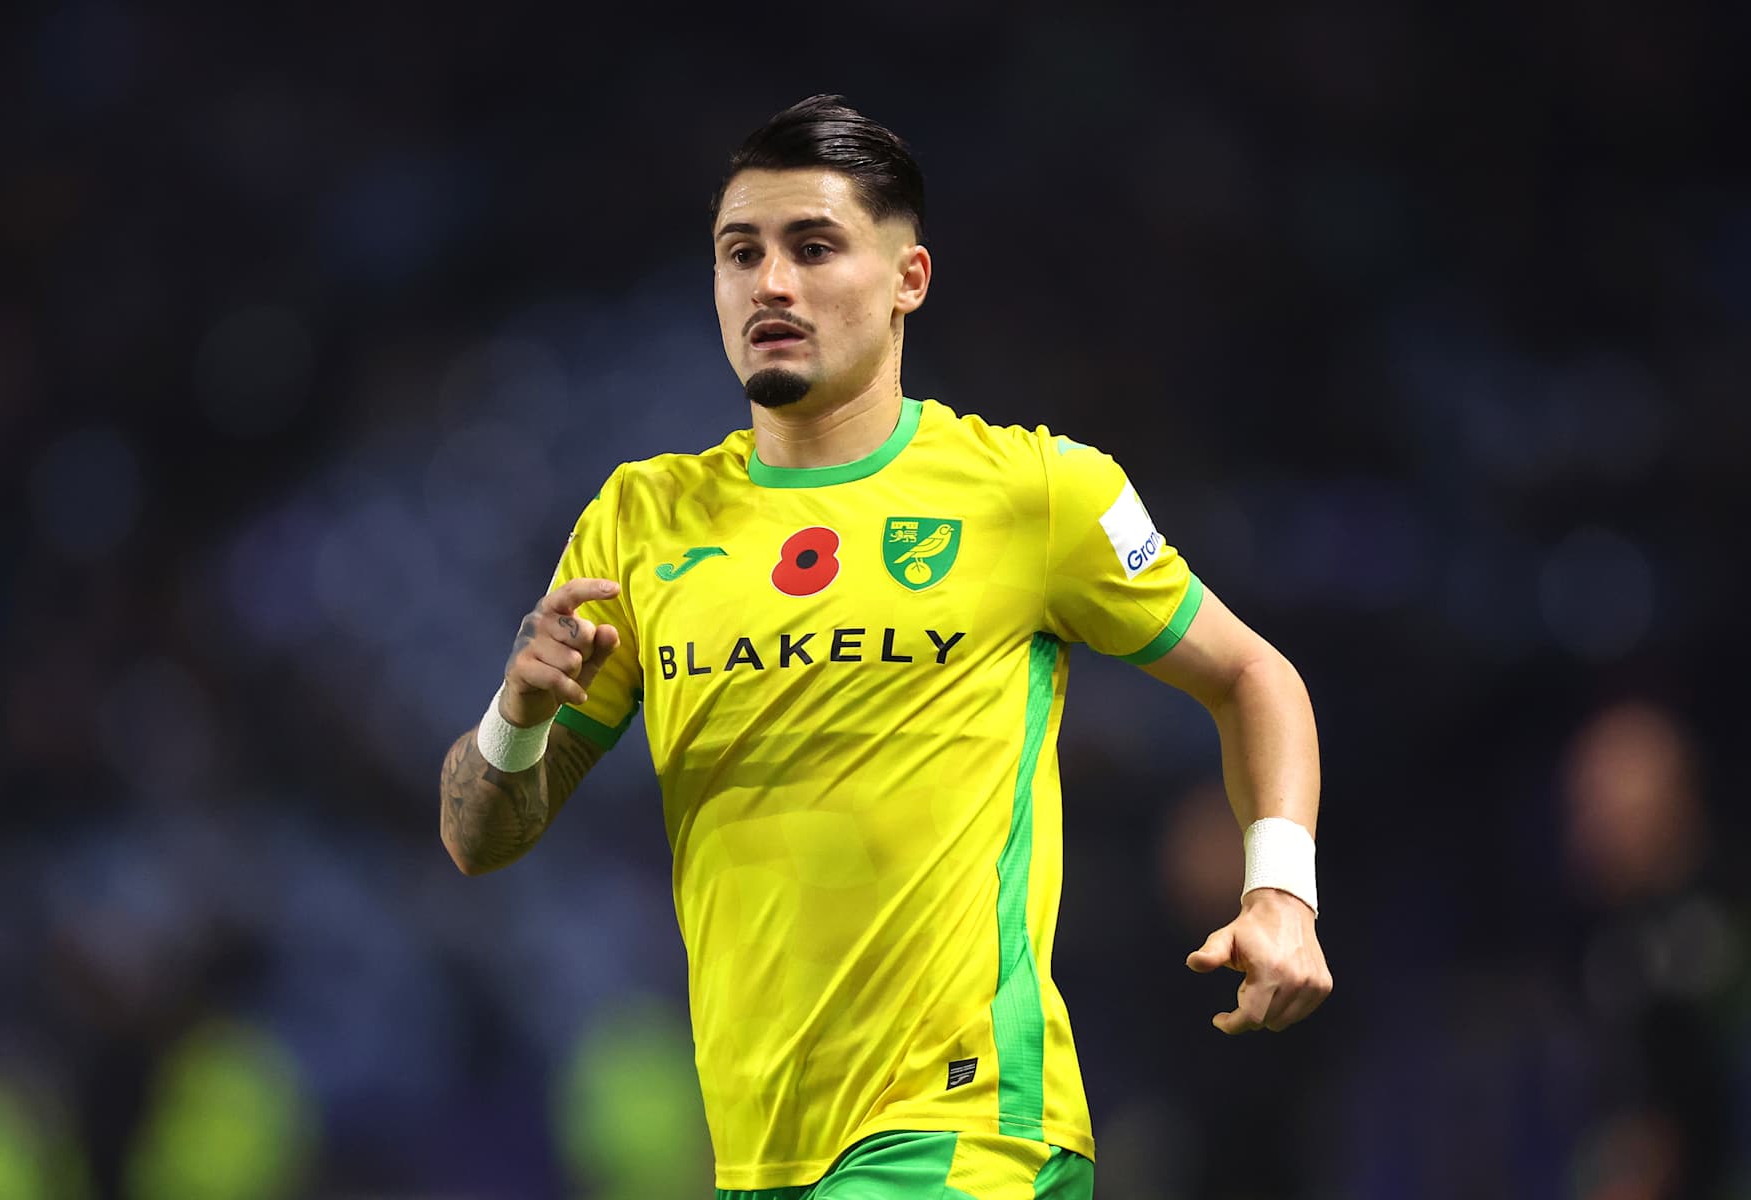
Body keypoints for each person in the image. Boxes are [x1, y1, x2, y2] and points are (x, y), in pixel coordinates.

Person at [438, 94, 1332, 1199]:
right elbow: (480, 839)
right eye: (741, 253)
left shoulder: (1034, 492)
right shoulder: (641, 523)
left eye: (814, 248)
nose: (771, 283)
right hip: (762, 1152)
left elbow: (1253, 674)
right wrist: (515, 718)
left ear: (909, 278)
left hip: (966, 1128)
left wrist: (1280, 894)